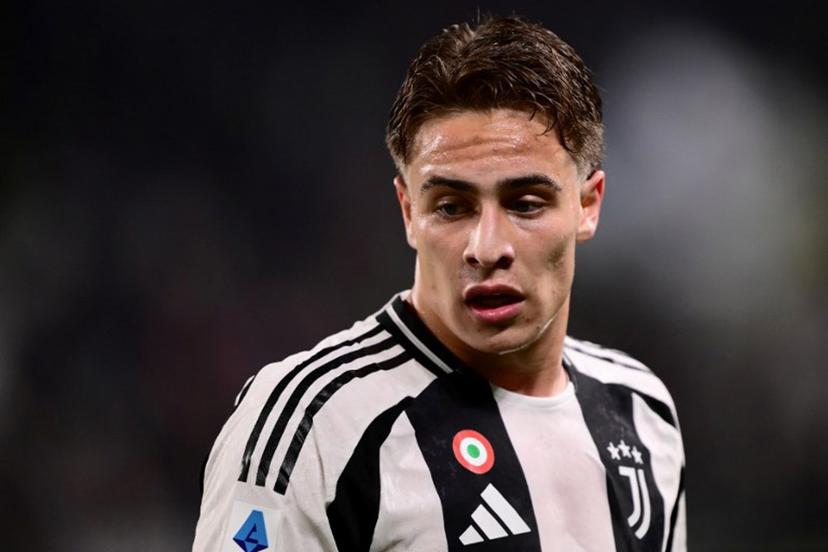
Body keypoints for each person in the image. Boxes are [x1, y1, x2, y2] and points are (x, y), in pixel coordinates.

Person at [194, 15, 686, 552]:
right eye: (451, 207)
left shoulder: (641, 412)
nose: (487, 247)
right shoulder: (313, 424)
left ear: (588, 206)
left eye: (526, 204)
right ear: (409, 212)